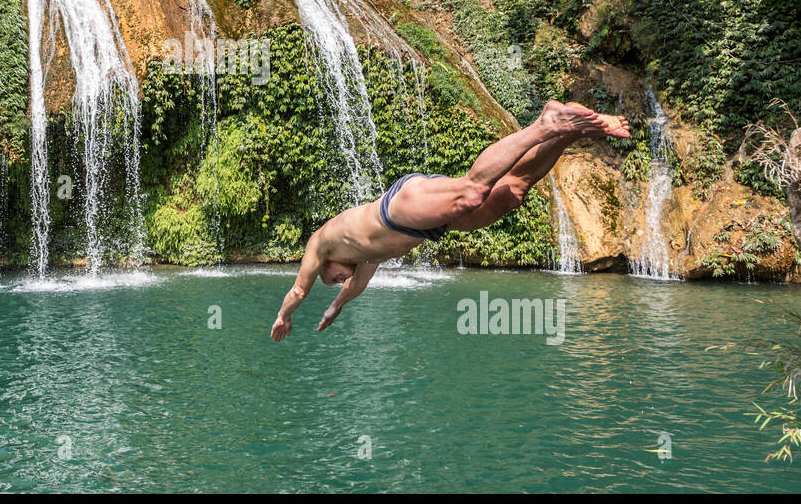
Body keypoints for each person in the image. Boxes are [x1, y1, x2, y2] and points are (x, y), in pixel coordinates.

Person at [270, 101, 630, 340]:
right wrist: (336, 306)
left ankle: (544, 124)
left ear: (327, 265)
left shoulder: (321, 242)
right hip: (426, 225)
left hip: (398, 209)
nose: (337, 280)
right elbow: (356, 287)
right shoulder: (364, 257)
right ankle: (569, 134)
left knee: (473, 191)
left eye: (331, 280)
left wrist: (285, 316)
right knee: (510, 194)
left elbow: (300, 289)